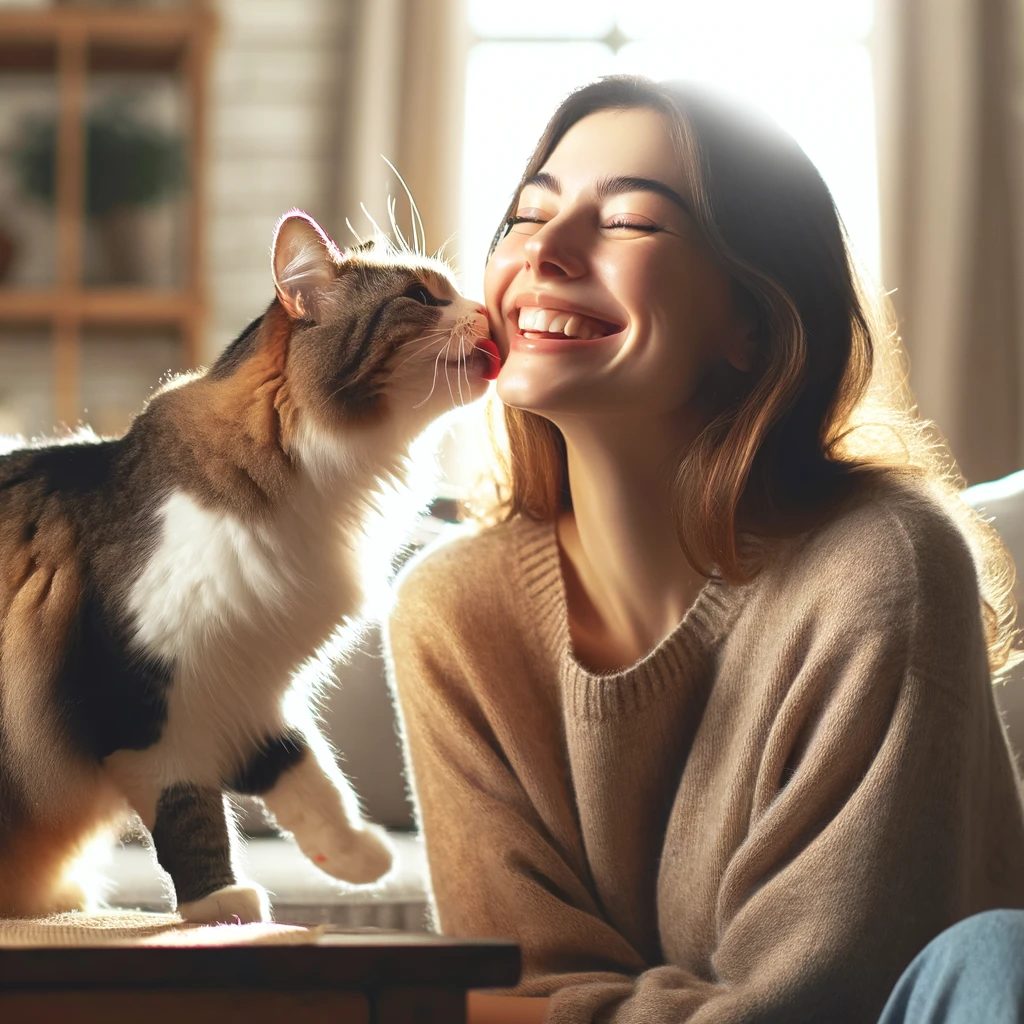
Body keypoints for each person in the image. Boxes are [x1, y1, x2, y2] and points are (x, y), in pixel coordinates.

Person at [383, 75, 1024, 1024]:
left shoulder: (885, 565)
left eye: (631, 223)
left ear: (750, 322)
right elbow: (521, 984)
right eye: (526, 217)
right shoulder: (451, 613)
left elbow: (818, 1000)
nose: (544, 254)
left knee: (999, 956)